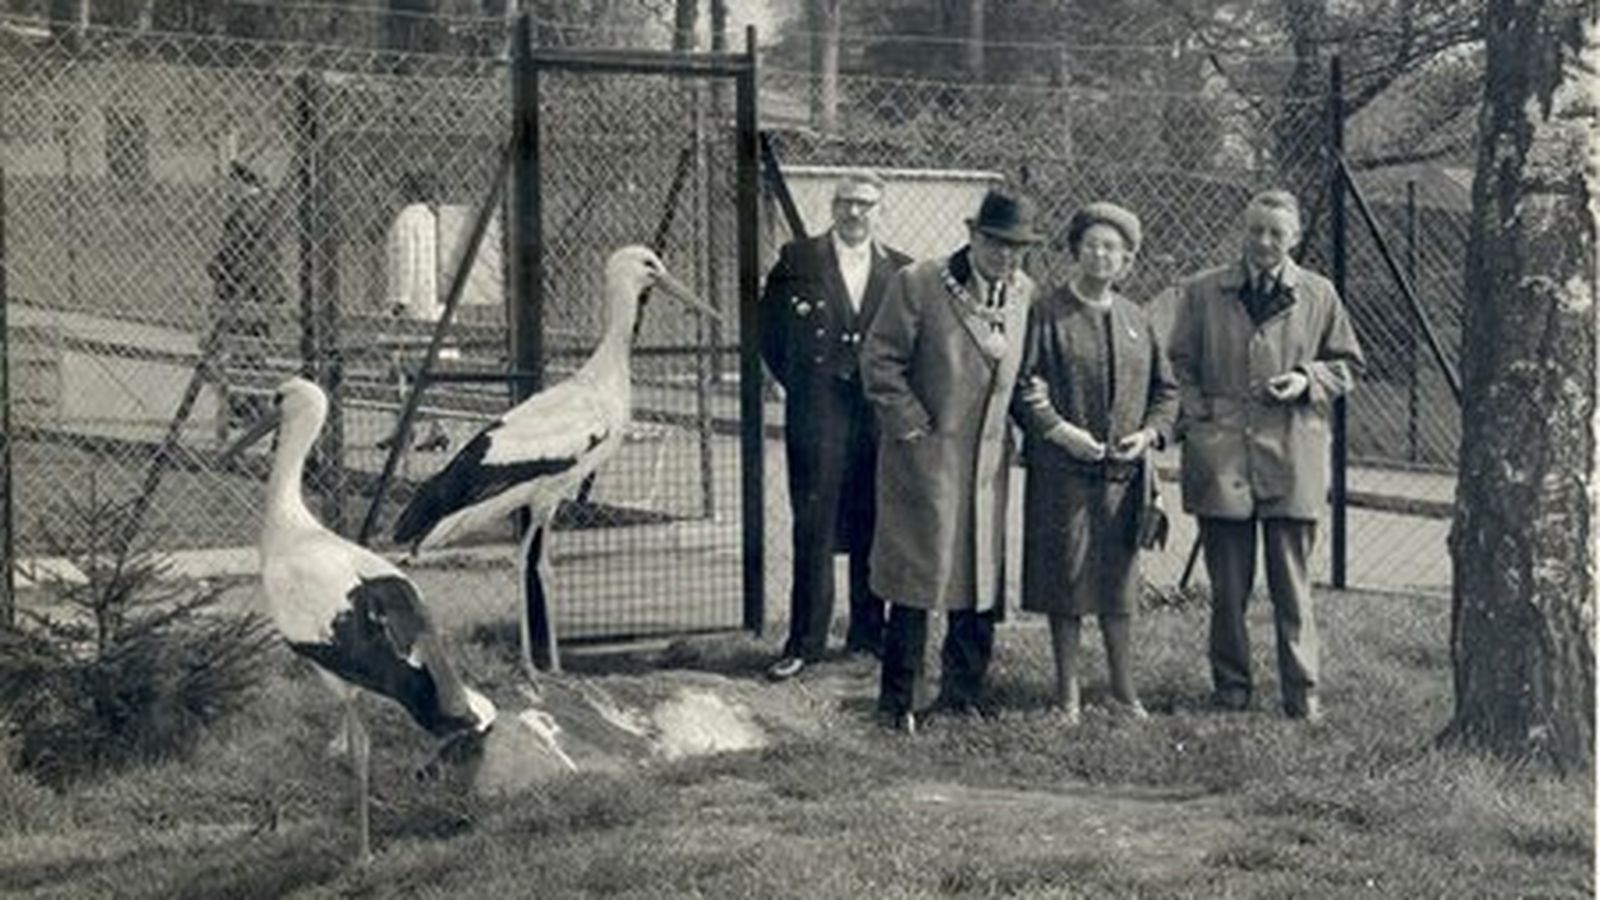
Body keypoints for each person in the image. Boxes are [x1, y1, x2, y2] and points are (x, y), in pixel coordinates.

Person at [1167, 189, 1364, 722]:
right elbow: (1178, 360)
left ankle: (1302, 693)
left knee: (1291, 584)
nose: (1264, 242)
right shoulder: (1204, 291)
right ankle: (1231, 688)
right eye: (1256, 230)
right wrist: (1199, 409)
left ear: (1294, 237)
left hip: (1292, 451)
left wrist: (1306, 379)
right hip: (1222, 451)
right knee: (1227, 587)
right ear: (1243, 230)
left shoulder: (1319, 295)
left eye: (1277, 232)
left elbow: (1348, 363)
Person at [861, 187, 1041, 734]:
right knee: (918, 578)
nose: (1005, 256)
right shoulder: (920, 283)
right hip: (926, 459)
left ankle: (963, 694)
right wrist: (914, 427)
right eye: (995, 242)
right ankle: (899, 703)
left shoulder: (1023, 292)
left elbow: (1022, 367)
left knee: (979, 578)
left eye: (1017, 248)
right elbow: (880, 361)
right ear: (972, 235)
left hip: (986, 467)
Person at [1012, 202, 1178, 725]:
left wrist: (1149, 435)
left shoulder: (1137, 319)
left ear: (1127, 261)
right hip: (1063, 474)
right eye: (1092, 245)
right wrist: (1061, 432)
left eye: (1113, 249)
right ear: (1076, 251)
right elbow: (1024, 385)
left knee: (1119, 584)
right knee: (1067, 581)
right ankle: (1068, 696)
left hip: (1122, 478)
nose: (1101, 255)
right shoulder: (1047, 311)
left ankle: (1124, 692)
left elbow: (1166, 392)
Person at [760, 171, 911, 680]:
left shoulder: (901, 271)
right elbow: (770, 333)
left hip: (875, 411)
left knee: (874, 517)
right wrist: (805, 385)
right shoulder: (797, 259)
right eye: (845, 202)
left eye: (865, 204)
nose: (854, 213)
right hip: (818, 407)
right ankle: (805, 641)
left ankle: (867, 637)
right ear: (832, 205)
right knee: (815, 521)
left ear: (880, 211)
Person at [206, 160, 283, 442]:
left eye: (232, 182)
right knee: (253, 349)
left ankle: (254, 405)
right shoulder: (266, 207)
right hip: (264, 290)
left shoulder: (245, 212)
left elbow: (233, 252)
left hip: (246, 291)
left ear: (241, 182)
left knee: (244, 349)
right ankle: (250, 403)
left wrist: (215, 268)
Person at [380, 169, 450, 453]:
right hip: (440, 302)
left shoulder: (406, 219)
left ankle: (403, 428)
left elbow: (404, 263)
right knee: (433, 368)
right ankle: (437, 427)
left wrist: (399, 300)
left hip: (415, 306)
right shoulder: (438, 219)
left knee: (398, 365)